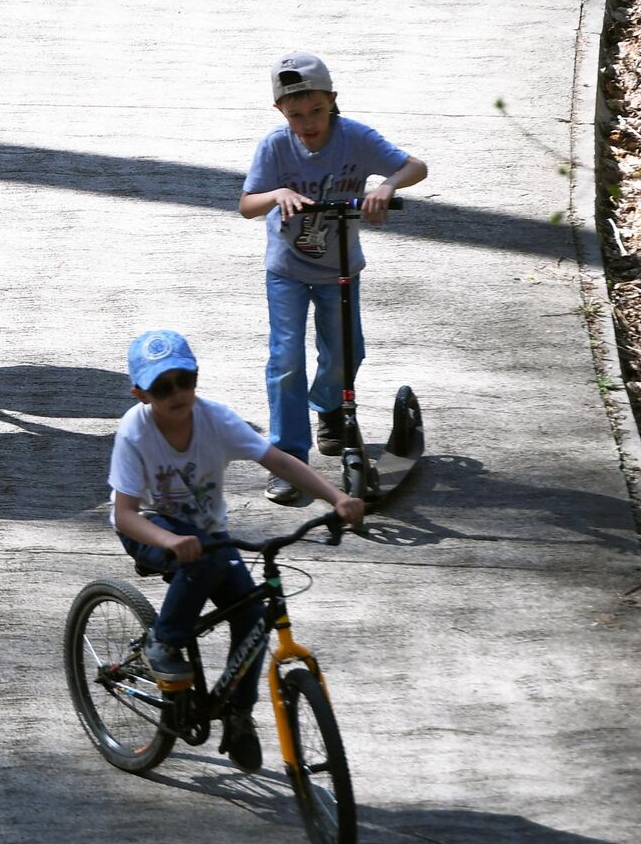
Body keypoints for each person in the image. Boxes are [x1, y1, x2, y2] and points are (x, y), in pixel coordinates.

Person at [109, 329, 365, 774]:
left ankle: (237, 715)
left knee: (252, 614)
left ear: (195, 378)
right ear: (140, 393)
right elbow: (125, 514)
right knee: (204, 555)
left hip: (208, 535)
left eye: (183, 380)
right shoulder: (135, 430)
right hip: (150, 529)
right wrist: (169, 540)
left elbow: (279, 461)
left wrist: (335, 497)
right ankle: (162, 641)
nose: (176, 393)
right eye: (161, 386)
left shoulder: (215, 420)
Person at [238, 53, 428, 504]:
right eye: (295, 114)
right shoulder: (275, 146)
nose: (307, 123)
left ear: (333, 101)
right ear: (281, 112)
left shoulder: (356, 139)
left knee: (346, 350)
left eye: (316, 111)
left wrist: (386, 186)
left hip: (340, 267)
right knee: (285, 359)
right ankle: (289, 457)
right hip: (286, 269)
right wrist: (277, 193)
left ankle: (327, 408)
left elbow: (415, 166)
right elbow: (247, 205)